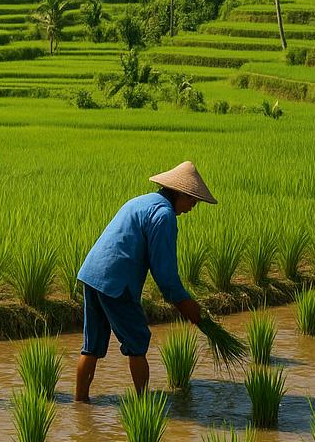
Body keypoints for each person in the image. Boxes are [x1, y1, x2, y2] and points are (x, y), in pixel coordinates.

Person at [74, 161, 213, 402]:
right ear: (179, 193)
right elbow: (165, 274)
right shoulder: (164, 215)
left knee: (92, 345)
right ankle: (143, 405)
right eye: (192, 199)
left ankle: (80, 404)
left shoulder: (142, 201)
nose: (193, 206)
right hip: (116, 281)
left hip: (91, 275)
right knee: (137, 341)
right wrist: (185, 303)